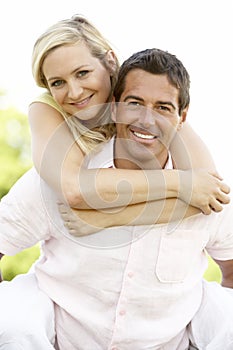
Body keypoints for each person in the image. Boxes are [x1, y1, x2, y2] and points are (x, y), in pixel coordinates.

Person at [0, 48, 233, 349]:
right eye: (134, 103)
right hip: (62, 341)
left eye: (163, 107)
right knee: (13, 321)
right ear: (114, 106)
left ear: (181, 117)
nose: (146, 120)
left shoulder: (208, 192)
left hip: (168, 344)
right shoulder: (57, 179)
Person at [28, 14, 229, 217]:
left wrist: (107, 219)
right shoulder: (46, 109)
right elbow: (73, 189)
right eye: (57, 83)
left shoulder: (142, 94)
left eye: (82, 73)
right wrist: (180, 183)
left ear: (110, 62)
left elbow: (210, 191)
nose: (74, 92)